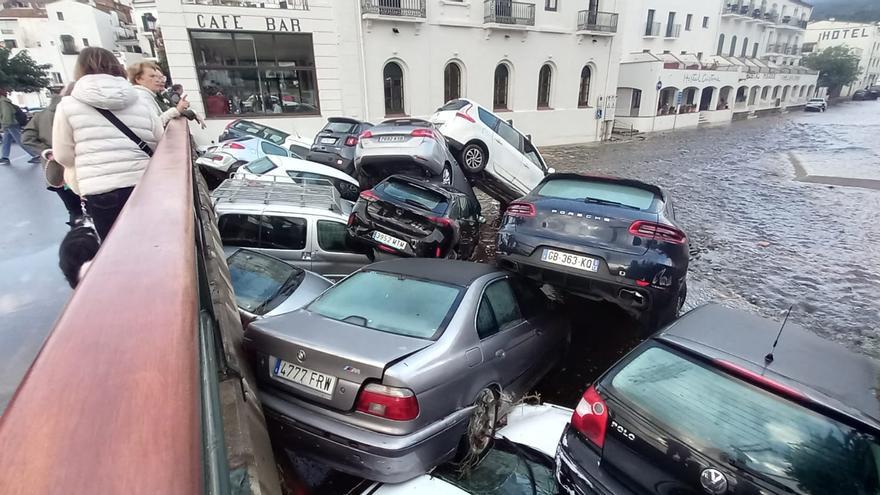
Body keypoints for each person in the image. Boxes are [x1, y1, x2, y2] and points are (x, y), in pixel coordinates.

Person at [52, 47, 164, 240]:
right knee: (150, 241)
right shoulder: (140, 101)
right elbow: (159, 140)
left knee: (115, 248)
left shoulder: (68, 106)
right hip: (143, 182)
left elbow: (63, 155)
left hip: (100, 188)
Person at [21, 85, 83, 226]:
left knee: (74, 210)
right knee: (89, 208)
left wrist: (46, 152)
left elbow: (26, 137)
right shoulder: (79, 112)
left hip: (56, 173)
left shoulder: (41, 115)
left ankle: (78, 242)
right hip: (80, 170)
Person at [126, 61, 189, 126]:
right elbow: (156, 125)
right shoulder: (142, 97)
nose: (158, 80)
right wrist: (177, 110)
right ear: (138, 79)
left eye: (159, 77)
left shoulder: (145, 95)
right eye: (152, 76)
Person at [0, 89, 37, 165]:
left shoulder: (3, 102)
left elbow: (7, 113)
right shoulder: (3, 101)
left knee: (20, 140)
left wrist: (6, 124)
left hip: (10, 123)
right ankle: (4, 157)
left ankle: (36, 155)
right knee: (6, 141)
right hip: (9, 124)